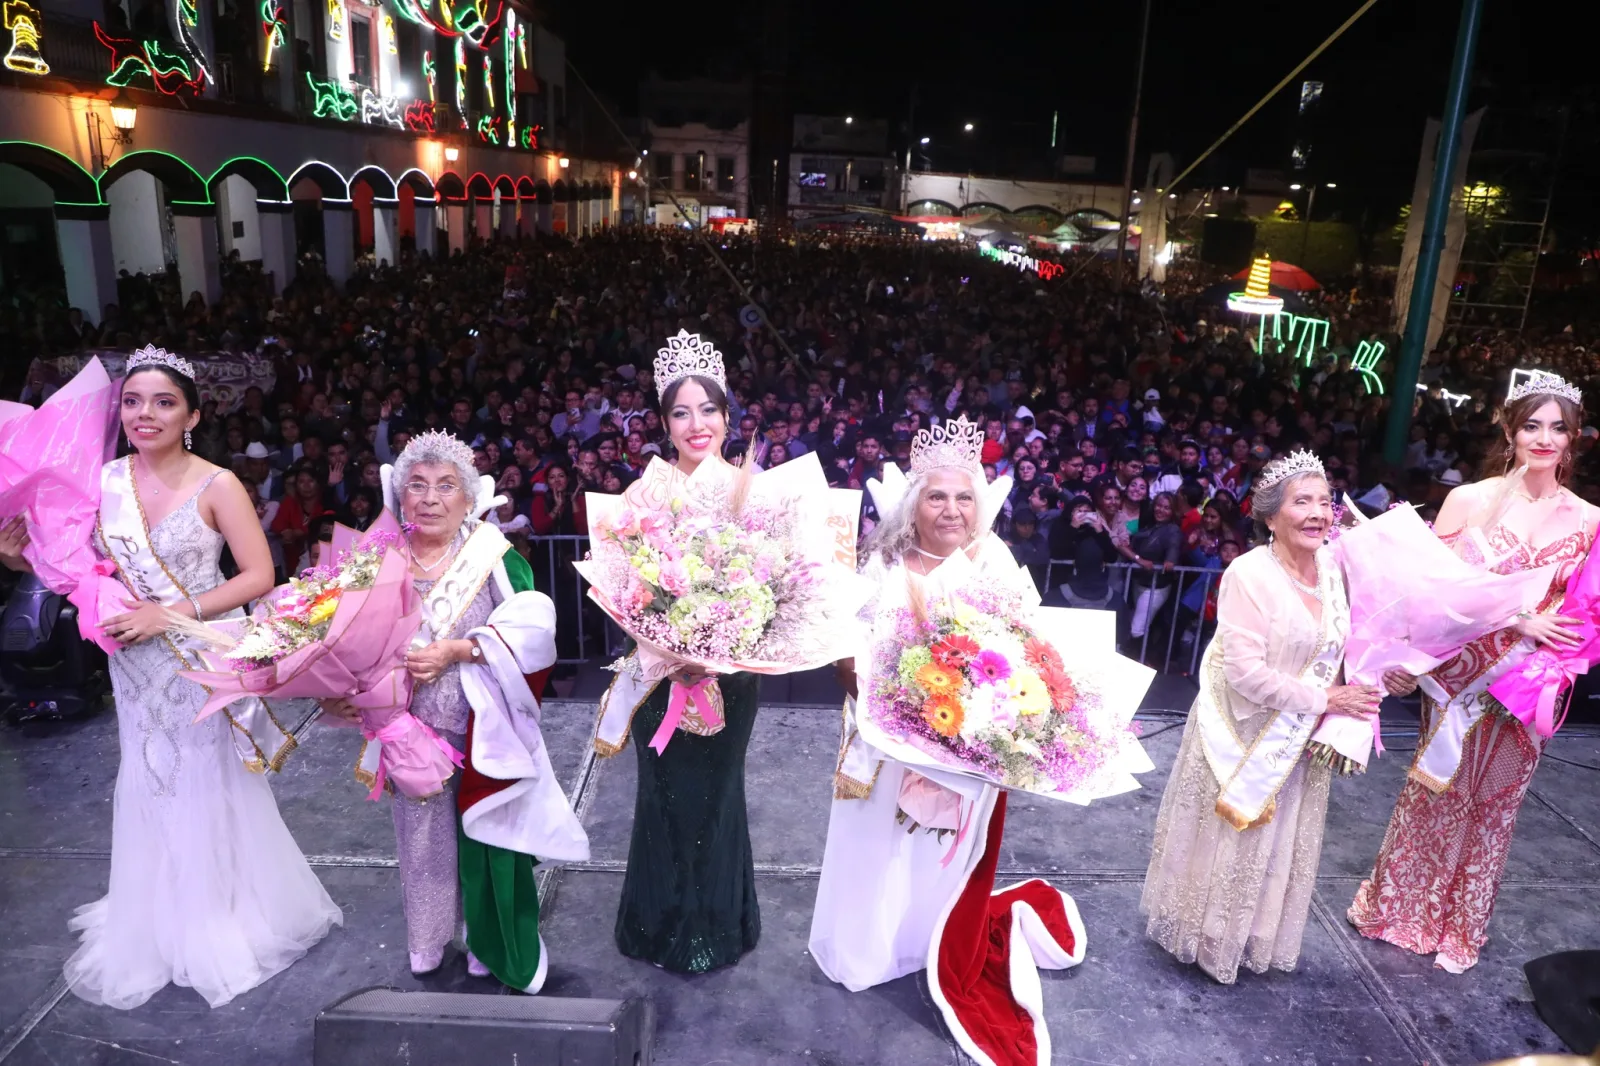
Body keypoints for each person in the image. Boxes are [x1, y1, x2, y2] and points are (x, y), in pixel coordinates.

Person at [0, 346, 341, 1009]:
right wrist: (17, 559)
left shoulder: (219, 484)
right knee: (150, 776)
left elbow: (258, 577)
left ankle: (215, 916)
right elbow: (73, 571)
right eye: (132, 401)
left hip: (200, 651)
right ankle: (160, 916)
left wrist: (172, 613)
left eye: (163, 402)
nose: (145, 414)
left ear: (192, 414)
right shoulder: (98, 482)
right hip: (134, 660)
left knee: (202, 777)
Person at [810, 417, 1088, 1065]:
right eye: (937, 495)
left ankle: (931, 945)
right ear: (914, 503)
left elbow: (1029, 650)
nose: (952, 509)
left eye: (964, 497)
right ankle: (870, 950)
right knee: (875, 843)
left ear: (981, 505)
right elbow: (844, 642)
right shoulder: (882, 560)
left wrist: (982, 719)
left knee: (935, 856)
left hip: (967, 750)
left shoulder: (998, 563)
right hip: (882, 740)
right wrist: (879, 692)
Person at [1349, 371, 1599, 973]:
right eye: (1532, 425)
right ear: (1509, 429)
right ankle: (1397, 911)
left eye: (1557, 428)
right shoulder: (1468, 499)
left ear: (1573, 439)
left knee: (1496, 805)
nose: (1544, 438)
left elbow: (1584, 612)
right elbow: (1429, 593)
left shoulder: (1590, 520)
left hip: (1527, 683)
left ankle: (1458, 927)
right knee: (1435, 791)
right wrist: (1516, 620)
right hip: (1460, 673)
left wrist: (1561, 657)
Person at [321, 430, 587, 988]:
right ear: (400, 496)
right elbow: (339, 640)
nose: (430, 498)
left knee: (484, 836)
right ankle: (428, 938)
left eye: (446, 486)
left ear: (469, 498)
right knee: (421, 843)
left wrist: (460, 650)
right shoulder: (373, 560)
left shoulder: (492, 555)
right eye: (416, 486)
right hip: (405, 728)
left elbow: (535, 631)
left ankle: (485, 943)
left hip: (479, 727)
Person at [1140, 449, 1403, 984]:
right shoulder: (1248, 574)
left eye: (1325, 502)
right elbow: (1244, 674)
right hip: (1240, 730)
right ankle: (1204, 934)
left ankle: (1248, 934)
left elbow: (1349, 646)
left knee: (1276, 840)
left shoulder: (1335, 570)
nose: (1318, 513)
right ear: (1269, 516)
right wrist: (1329, 700)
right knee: (1231, 837)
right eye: (1301, 502)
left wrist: (1388, 673)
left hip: (1296, 740)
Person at [596, 332, 763, 973]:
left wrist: (721, 651)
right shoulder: (639, 498)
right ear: (664, 423)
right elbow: (621, 591)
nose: (698, 424)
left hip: (733, 678)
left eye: (709, 409)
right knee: (662, 797)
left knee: (720, 795)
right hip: (660, 678)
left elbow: (771, 592)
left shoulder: (756, 492)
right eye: (682, 412)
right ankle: (657, 923)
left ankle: (720, 924)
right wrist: (671, 650)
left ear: (727, 416)